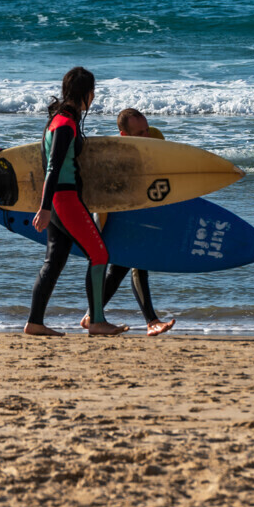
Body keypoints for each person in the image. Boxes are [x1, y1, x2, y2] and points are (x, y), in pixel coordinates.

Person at [27, 67, 127, 337]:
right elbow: (53, 167)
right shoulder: (65, 124)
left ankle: (35, 322)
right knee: (99, 254)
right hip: (65, 199)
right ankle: (96, 320)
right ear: (88, 93)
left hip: (60, 200)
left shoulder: (56, 120)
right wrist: (45, 208)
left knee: (54, 260)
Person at [79, 108, 176, 337]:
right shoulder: (114, 155)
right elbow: (103, 192)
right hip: (116, 213)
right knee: (136, 260)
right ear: (124, 135)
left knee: (122, 266)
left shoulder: (155, 138)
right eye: (140, 133)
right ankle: (151, 321)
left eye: (147, 129)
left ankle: (92, 315)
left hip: (141, 208)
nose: (147, 136)